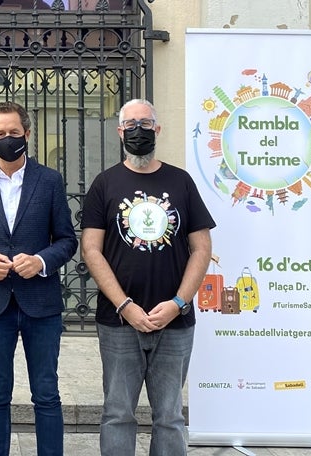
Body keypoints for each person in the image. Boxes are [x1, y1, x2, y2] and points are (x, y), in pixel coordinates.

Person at [80, 98, 215, 456]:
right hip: (118, 322)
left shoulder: (181, 182)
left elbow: (201, 248)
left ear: (157, 129)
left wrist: (178, 303)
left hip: (175, 322)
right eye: (131, 124)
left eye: (145, 123)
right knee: (117, 413)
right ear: (119, 131)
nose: (138, 130)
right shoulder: (105, 183)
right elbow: (91, 250)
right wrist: (124, 305)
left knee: (170, 416)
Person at [0, 101, 78, 456]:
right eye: (0, 133)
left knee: (46, 393)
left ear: (27, 133)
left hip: (41, 303)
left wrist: (41, 261)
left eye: (14, 132)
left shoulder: (49, 180)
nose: (8, 138)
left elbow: (67, 239)